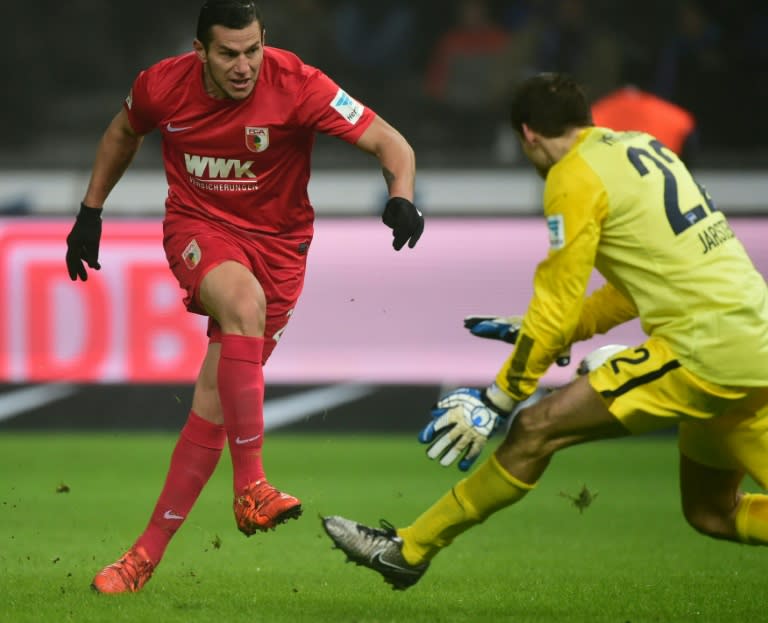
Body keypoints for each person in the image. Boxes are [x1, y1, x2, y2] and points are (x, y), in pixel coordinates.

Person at [321, 72, 768, 590]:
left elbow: (556, 299)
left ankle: (410, 549)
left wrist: (500, 397)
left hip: (703, 352)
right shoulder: (641, 149)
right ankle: (408, 550)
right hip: (751, 342)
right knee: (712, 512)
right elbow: (631, 287)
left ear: (529, 135)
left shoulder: (572, 177)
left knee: (535, 429)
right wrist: (553, 331)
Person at [65, 0, 423, 594]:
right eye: (228, 53)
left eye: (252, 50)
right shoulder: (162, 86)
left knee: (213, 400)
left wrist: (402, 195)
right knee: (242, 301)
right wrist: (89, 211)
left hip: (282, 252)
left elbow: (392, 142)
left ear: (265, 42)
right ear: (200, 50)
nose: (243, 66)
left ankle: (140, 560)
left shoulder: (299, 83)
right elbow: (124, 130)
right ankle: (251, 485)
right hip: (199, 229)